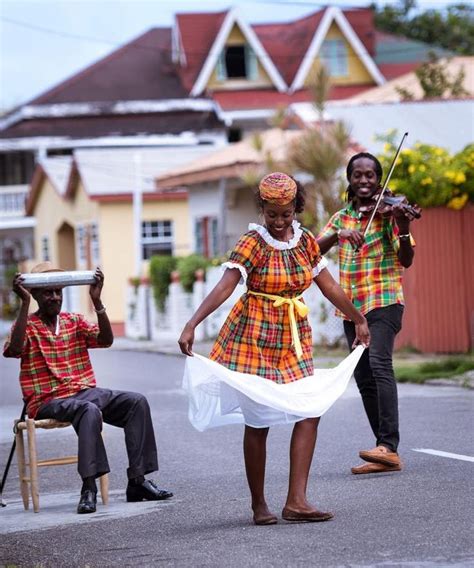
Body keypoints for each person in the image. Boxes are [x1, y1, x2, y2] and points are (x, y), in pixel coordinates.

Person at [178, 172, 370, 525]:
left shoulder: (306, 240)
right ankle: (259, 505)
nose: (280, 223)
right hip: (252, 337)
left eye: (286, 215)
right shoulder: (253, 241)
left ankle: (297, 500)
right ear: (262, 209)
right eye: (272, 215)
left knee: (310, 410)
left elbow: (328, 285)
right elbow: (225, 286)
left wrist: (357, 317)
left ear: (296, 208)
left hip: (293, 338)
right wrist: (192, 323)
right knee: (259, 420)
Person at [3, 262, 173, 514]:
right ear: (36, 295)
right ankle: (89, 487)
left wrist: (97, 301)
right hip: (48, 399)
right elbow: (14, 350)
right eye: (48, 292)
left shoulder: (73, 321)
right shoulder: (27, 325)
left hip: (84, 391)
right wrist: (24, 304)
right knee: (88, 409)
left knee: (136, 402)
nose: (54, 297)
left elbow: (106, 340)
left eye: (58, 292)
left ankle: (137, 481)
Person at [317, 152, 418, 475]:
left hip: (385, 300)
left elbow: (406, 259)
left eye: (371, 175)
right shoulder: (341, 217)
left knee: (379, 363)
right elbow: (311, 251)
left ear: (378, 179)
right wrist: (339, 235)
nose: (364, 181)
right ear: (349, 179)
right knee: (363, 378)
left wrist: (402, 226)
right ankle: (383, 451)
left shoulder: (389, 214)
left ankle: (389, 445)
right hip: (352, 309)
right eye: (358, 175)